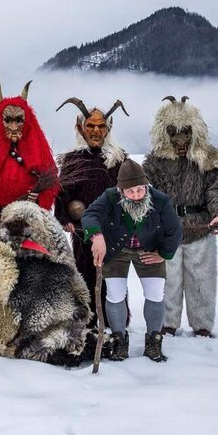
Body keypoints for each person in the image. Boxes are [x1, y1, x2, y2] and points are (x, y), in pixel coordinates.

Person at [142, 96, 218, 338]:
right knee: (168, 280)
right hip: (168, 230)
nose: (180, 140)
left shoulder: (208, 158)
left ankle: (202, 324)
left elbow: (217, 186)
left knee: (202, 279)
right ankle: (167, 323)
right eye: (173, 133)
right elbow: (145, 193)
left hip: (200, 226)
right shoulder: (154, 162)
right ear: (164, 133)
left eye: (185, 133)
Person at [82, 159, 183, 362]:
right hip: (116, 250)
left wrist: (162, 254)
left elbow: (175, 230)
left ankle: (154, 340)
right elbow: (90, 215)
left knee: (155, 292)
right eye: (130, 192)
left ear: (146, 186)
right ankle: (119, 339)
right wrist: (97, 236)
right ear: (121, 190)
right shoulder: (110, 196)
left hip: (148, 249)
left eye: (139, 190)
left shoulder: (160, 199)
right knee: (115, 293)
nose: (136, 196)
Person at [0, 200, 92, 367]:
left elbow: (67, 264)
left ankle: (52, 337)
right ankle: (34, 341)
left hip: (43, 280)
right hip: (17, 309)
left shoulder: (51, 243)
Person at [54, 96, 128, 330]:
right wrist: (65, 219)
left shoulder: (119, 159)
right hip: (83, 233)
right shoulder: (73, 160)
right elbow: (63, 195)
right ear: (80, 128)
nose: (96, 131)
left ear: (109, 128)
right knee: (85, 278)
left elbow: (132, 194)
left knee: (114, 283)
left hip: (114, 234)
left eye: (101, 126)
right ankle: (86, 328)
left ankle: (116, 329)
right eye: (90, 126)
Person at [0, 80, 59, 226]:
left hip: (29, 218)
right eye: (8, 121)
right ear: (0, 121)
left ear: (26, 120)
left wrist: (39, 197)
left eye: (19, 121)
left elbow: (51, 180)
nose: (14, 127)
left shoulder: (38, 147)